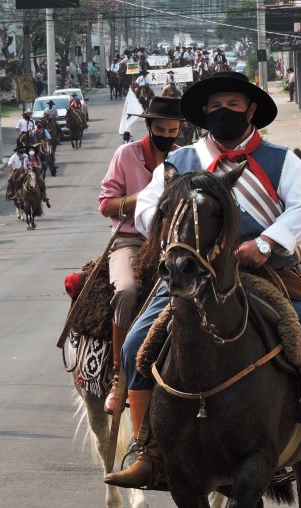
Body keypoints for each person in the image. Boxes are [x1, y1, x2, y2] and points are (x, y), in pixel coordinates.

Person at [106, 71, 301, 492]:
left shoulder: (281, 160)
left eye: (233, 105)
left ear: (251, 109)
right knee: (134, 343)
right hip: (195, 274)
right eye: (215, 106)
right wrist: (175, 229)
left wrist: (267, 243)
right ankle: (148, 452)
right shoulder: (179, 164)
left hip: (268, 271)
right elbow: (146, 211)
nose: (223, 112)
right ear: (204, 112)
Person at [97, 96, 184, 414]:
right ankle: (119, 376)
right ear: (148, 126)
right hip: (129, 241)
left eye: (173, 129)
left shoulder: (182, 158)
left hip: (172, 243)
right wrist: (143, 197)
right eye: (160, 128)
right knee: (127, 290)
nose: (167, 134)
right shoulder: (126, 155)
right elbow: (106, 204)